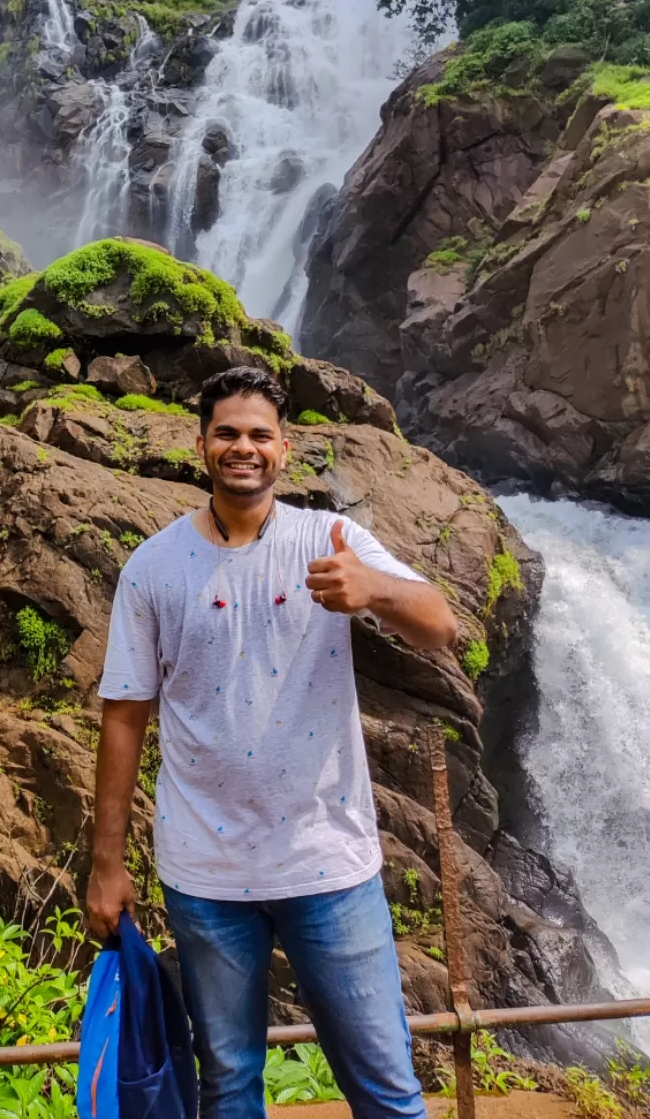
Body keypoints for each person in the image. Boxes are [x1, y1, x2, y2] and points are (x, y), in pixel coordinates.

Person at [86, 365, 457, 1119]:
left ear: (285, 449)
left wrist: (374, 590)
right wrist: (107, 865)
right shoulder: (153, 567)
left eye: (260, 435)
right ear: (201, 447)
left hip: (330, 862)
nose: (243, 447)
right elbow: (124, 714)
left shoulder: (333, 540)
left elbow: (441, 625)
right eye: (227, 433)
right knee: (228, 1087)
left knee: (387, 1085)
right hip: (206, 874)